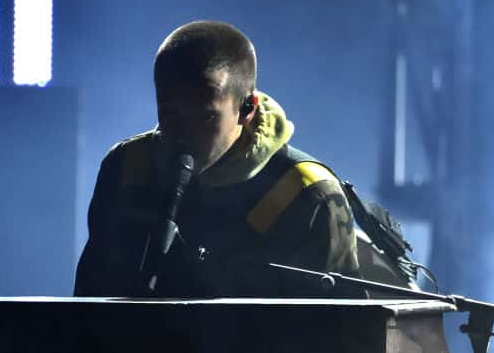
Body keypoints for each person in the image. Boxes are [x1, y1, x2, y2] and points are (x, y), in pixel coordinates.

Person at [74, 20, 360, 298]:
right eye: (169, 112)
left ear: (247, 108)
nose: (182, 133)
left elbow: (345, 335)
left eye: (205, 117)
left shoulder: (306, 193)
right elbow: (89, 303)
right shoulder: (126, 168)